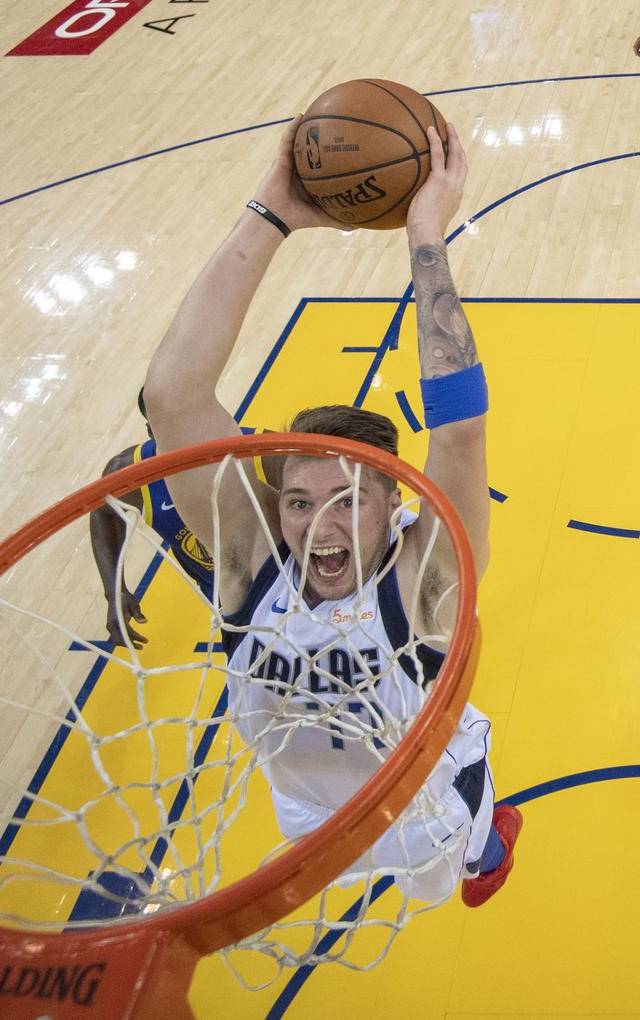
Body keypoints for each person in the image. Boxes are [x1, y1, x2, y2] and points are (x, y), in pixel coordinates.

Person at [144, 117, 522, 906]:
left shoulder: (426, 581)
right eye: (300, 499)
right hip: (309, 809)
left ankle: (491, 846)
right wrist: (272, 212)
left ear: (395, 508)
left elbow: (460, 431)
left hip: (425, 801)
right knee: (340, 868)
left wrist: (426, 235)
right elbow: (172, 399)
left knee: (467, 858)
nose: (321, 523)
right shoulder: (251, 562)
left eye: (350, 499)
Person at [89, 388, 215, 648]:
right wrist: (115, 591)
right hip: (223, 597)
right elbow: (105, 516)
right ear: (151, 431)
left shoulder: (255, 451)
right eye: (169, 425)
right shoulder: (131, 472)